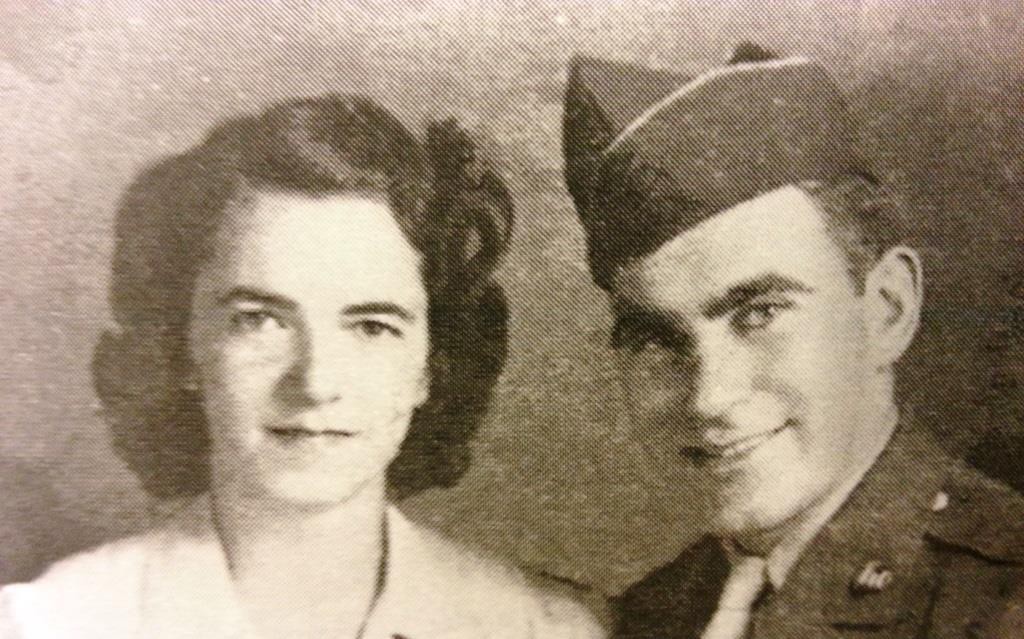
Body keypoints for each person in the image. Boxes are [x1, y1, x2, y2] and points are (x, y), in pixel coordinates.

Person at [0, 94, 606, 639]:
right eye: (260, 320)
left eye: (372, 327)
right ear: (183, 346)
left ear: (431, 365)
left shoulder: (539, 630)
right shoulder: (51, 624)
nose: (316, 383)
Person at [562, 44, 1024, 638]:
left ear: (887, 310)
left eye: (759, 314)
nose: (708, 397)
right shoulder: (649, 617)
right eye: (656, 340)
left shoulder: (1002, 604)